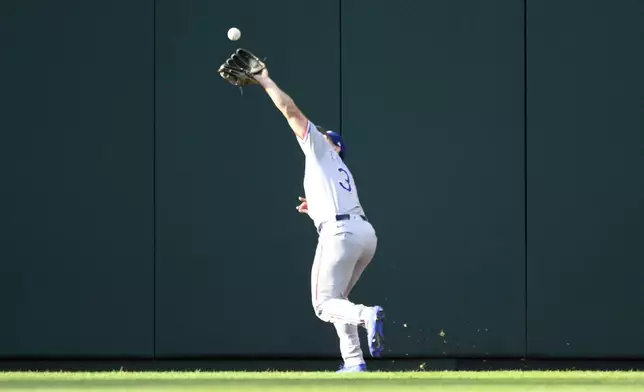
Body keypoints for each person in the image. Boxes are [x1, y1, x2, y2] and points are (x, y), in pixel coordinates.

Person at [252, 67, 385, 372]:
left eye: (326, 136)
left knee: (324, 305)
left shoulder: (322, 150)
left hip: (339, 233)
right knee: (339, 301)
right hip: (363, 233)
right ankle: (353, 362)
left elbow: (290, 111)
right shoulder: (338, 168)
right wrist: (314, 208)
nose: (319, 135)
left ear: (335, 145)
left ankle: (367, 316)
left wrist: (264, 80)